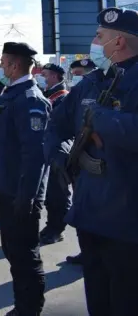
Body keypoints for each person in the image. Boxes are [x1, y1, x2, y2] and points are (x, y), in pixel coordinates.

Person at [44, 7, 138, 315]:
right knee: (97, 297)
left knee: (125, 300)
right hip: (89, 211)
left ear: (119, 43)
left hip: (126, 219)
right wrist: (57, 154)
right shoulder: (90, 83)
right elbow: (55, 124)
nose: (94, 43)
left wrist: (101, 118)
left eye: (99, 36)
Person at [0, 42, 50, 316]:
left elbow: (34, 156)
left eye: (2, 63)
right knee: (13, 251)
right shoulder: (11, 93)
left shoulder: (30, 100)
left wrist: (26, 197)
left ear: (13, 65)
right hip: (6, 188)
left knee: (25, 254)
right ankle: (22, 304)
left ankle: (30, 308)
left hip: (20, 193)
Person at [62, 58, 97, 266]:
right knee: (82, 209)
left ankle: (95, 254)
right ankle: (85, 251)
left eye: (80, 73)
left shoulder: (102, 90)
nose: (76, 78)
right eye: (73, 74)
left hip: (100, 163)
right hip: (80, 161)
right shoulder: (78, 94)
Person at [35, 63, 72, 246]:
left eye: (45, 75)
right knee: (49, 194)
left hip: (58, 151)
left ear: (56, 77)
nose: (42, 77)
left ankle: (58, 229)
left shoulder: (63, 98)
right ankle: (52, 226)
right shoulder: (47, 95)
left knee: (58, 194)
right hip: (47, 151)